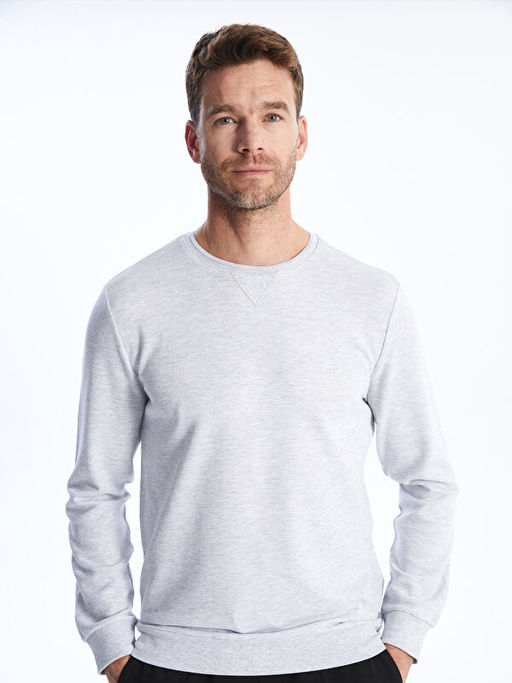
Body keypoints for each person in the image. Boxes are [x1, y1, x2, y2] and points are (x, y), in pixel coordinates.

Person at [65, 23, 459, 683]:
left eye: (272, 116)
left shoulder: (372, 300)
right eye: (226, 118)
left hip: (346, 657)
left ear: (300, 135)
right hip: (174, 660)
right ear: (194, 139)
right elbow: (95, 488)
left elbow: (428, 480)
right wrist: (113, 646)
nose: (252, 140)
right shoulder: (131, 303)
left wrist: (403, 640)